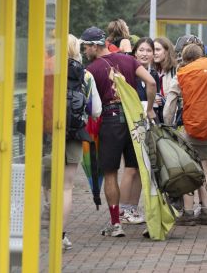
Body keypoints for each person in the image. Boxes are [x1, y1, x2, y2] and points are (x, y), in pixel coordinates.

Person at [82, 26, 156, 237]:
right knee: (141, 168)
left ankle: (116, 223)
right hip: (135, 120)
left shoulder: (91, 70)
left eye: (86, 47)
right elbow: (150, 82)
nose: (85, 51)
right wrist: (149, 109)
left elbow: (90, 105)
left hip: (110, 121)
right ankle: (149, 218)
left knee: (111, 173)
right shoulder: (129, 60)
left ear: (94, 46)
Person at [169, 35, 207, 222]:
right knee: (206, 168)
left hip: (192, 127)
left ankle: (190, 212)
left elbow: (171, 103)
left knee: (190, 170)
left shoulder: (182, 74)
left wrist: (167, 124)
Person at [61, 34, 102, 249]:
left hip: (46, 135)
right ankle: (60, 235)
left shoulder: (46, 70)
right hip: (74, 135)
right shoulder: (85, 76)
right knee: (66, 187)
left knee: (46, 184)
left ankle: (44, 222)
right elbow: (96, 110)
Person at [118, 37, 160, 225]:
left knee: (141, 168)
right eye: (141, 50)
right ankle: (123, 209)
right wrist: (148, 106)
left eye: (149, 50)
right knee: (131, 168)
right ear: (135, 53)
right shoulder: (131, 73)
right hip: (132, 125)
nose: (145, 54)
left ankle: (132, 208)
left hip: (146, 126)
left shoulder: (153, 74)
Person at [153, 37, 177, 123]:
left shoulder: (176, 70)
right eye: (153, 50)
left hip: (171, 119)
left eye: (158, 49)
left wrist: (163, 100)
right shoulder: (151, 70)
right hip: (156, 118)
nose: (154, 53)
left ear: (167, 51)